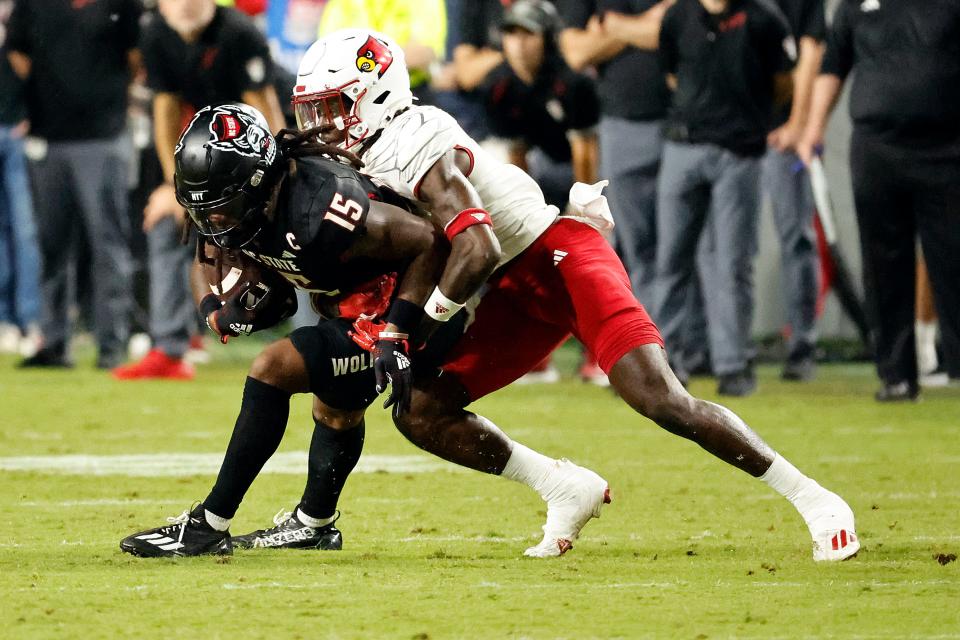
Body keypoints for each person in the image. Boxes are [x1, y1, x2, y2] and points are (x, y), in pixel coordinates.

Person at [291, 29, 859, 560]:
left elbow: (476, 248)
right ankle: (563, 487)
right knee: (419, 410)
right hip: (512, 287)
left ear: (376, 95)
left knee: (659, 398)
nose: (321, 124)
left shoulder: (415, 137)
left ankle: (815, 499)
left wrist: (416, 324)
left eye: (332, 107)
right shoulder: (361, 154)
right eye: (312, 109)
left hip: (559, 257)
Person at [120, 103, 606, 557]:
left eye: (222, 206)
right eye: (204, 207)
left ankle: (209, 523)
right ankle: (313, 524)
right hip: (354, 305)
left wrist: (397, 330)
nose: (213, 219)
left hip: (407, 307)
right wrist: (211, 305)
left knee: (273, 367)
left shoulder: (325, 205)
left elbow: (428, 243)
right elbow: (208, 246)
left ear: (258, 180)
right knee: (336, 410)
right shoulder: (242, 203)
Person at [112, 0, 285, 380]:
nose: (186, 5)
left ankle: (325, 337)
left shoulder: (238, 32)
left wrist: (275, 182)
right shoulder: (156, 33)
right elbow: (166, 110)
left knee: (298, 226)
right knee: (165, 222)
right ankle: (170, 348)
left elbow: (268, 110)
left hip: (269, 145)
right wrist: (174, 188)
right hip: (213, 150)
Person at [798, 0, 960, 401]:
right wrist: (813, 127)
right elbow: (833, 65)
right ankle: (897, 375)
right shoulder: (856, 5)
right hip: (877, 147)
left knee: (954, 257)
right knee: (883, 265)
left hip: (947, 149)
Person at [653, 0, 796, 396]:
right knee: (671, 261)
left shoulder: (764, 18)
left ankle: (733, 365)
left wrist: (745, 119)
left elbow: (784, 83)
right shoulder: (678, 16)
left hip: (739, 153)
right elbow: (671, 74)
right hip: (683, 148)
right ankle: (662, 364)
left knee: (733, 262)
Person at [8, 0, 142, 369]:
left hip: (103, 134)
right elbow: (17, 52)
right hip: (48, 136)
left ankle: (111, 344)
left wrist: (100, 92)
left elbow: (136, 57)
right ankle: (52, 342)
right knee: (49, 243)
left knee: (107, 244)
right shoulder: (33, 5)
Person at [482, 0, 607, 385]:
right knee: (522, 262)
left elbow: (586, 149)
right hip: (532, 176)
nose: (518, 44)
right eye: (511, 34)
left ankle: (600, 356)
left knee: (593, 265)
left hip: (583, 175)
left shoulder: (574, 84)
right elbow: (515, 153)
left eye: (528, 34)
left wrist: (583, 207)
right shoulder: (498, 86)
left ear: (547, 39)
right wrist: (523, 214)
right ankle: (535, 357)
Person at [555, 0, 672, 310]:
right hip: (621, 126)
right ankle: (653, 345)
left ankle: (694, 352)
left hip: (683, 127)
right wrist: (644, 23)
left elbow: (670, 31)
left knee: (683, 248)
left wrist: (613, 26)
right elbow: (577, 52)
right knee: (635, 250)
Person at [763, 0, 826, 382]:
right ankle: (710, 350)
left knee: (796, 237)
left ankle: (803, 344)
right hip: (730, 130)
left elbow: (811, 49)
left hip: (783, 133)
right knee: (716, 250)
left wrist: (798, 122)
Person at [0, 0, 42, 356]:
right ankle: (4, 319)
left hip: (17, 130)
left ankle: (30, 320)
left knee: (26, 231)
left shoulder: (28, 12)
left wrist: (35, 110)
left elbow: (40, 65)